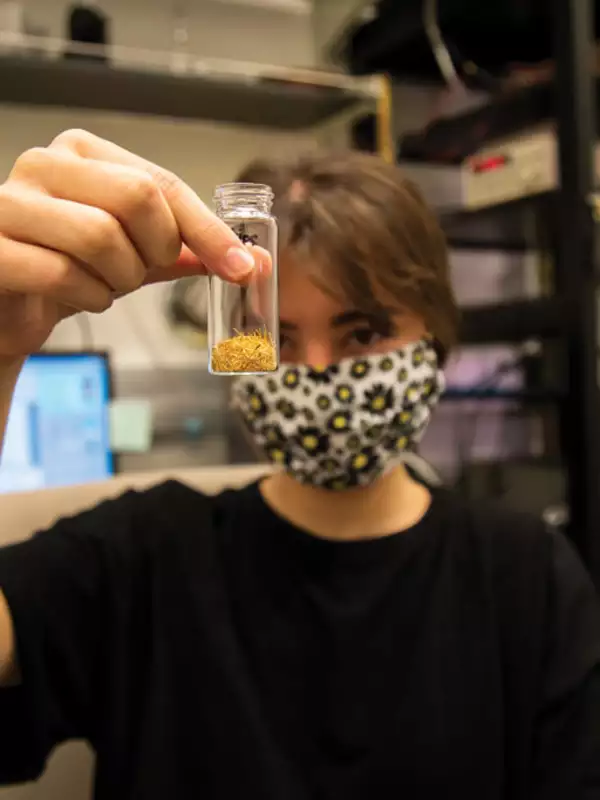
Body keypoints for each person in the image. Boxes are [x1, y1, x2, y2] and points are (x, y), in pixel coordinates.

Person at [0, 129, 598, 800]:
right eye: (275, 338)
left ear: (436, 336)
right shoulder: (141, 558)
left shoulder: (528, 577)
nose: (316, 373)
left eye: (364, 333)